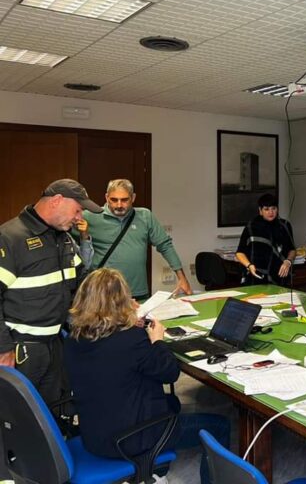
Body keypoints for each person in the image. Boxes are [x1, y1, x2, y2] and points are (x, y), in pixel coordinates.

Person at [63, 268, 229, 484]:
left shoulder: (73, 339)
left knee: (172, 402)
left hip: (93, 434)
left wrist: (128, 324)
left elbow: (112, 354)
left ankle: (158, 464)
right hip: (129, 441)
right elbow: (170, 373)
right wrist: (157, 339)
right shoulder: (132, 340)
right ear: (121, 302)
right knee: (220, 425)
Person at [0, 178, 101, 404]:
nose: (79, 218)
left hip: (54, 343)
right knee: (17, 415)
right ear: (57, 201)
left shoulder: (63, 238)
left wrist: (117, 302)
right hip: (21, 348)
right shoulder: (9, 237)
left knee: (51, 409)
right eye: (78, 210)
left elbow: (81, 282)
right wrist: (3, 349)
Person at [78, 178, 192, 299]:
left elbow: (165, 245)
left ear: (133, 198)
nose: (119, 205)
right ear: (106, 197)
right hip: (102, 294)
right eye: (114, 200)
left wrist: (182, 278)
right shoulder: (89, 217)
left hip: (137, 293)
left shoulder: (145, 216)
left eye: (124, 200)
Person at [235, 193, 296, 286]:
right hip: (256, 276)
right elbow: (240, 253)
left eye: (273, 208)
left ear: (277, 209)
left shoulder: (285, 225)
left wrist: (288, 261)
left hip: (280, 276)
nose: (270, 212)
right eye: (266, 209)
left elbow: (292, 250)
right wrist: (249, 265)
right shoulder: (251, 227)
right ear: (260, 210)